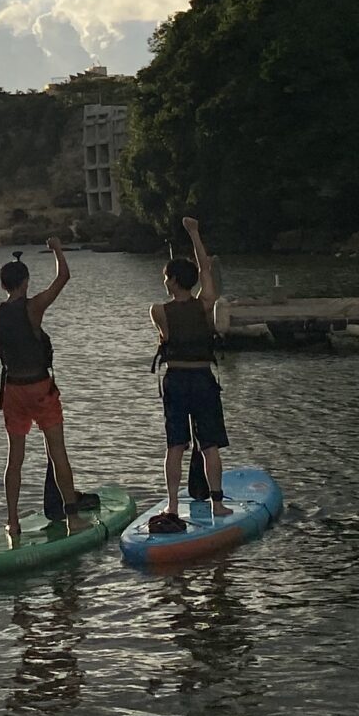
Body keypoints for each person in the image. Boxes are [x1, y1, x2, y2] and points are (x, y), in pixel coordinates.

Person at [0, 238, 99, 534]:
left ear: (3, 286)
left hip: (12, 389)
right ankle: (73, 518)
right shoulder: (33, 307)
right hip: (40, 388)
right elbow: (63, 277)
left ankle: (12, 522)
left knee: (15, 458)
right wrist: (57, 249)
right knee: (57, 452)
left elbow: (1, 348)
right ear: (25, 282)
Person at [148, 216, 232, 532]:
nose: (164, 281)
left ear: (172, 281)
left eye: (166, 277)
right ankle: (218, 502)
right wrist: (195, 233)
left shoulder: (158, 311)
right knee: (209, 445)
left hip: (177, 381)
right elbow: (206, 271)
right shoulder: (203, 305)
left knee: (176, 445)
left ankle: (172, 503)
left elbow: (166, 337)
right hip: (202, 380)